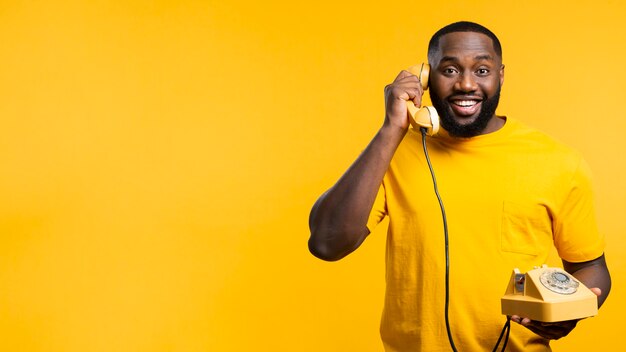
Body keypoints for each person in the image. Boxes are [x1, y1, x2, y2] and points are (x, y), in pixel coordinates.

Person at [308, 21, 611, 351]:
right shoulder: (392, 153)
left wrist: (571, 310)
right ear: (426, 76)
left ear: (501, 76)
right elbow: (326, 243)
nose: (466, 84)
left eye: (482, 70)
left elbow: (589, 267)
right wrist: (391, 129)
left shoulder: (558, 161)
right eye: (449, 70)